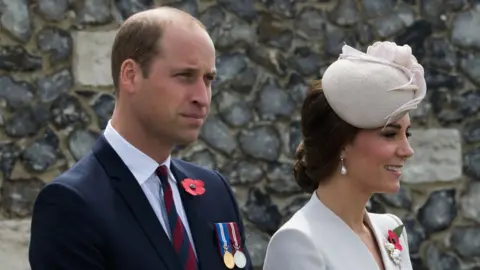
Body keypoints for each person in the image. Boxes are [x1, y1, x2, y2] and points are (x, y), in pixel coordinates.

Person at [29, 6, 252, 270]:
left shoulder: (214, 191)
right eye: (184, 76)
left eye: (208, 79)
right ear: (131, 76)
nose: (201, 97)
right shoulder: (71, 204)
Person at [263, 41, 425, 270]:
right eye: (390, 134)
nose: (407, 150)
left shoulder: (391, 229)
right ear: (341, 143)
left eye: (407, 134)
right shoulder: (297, 242)